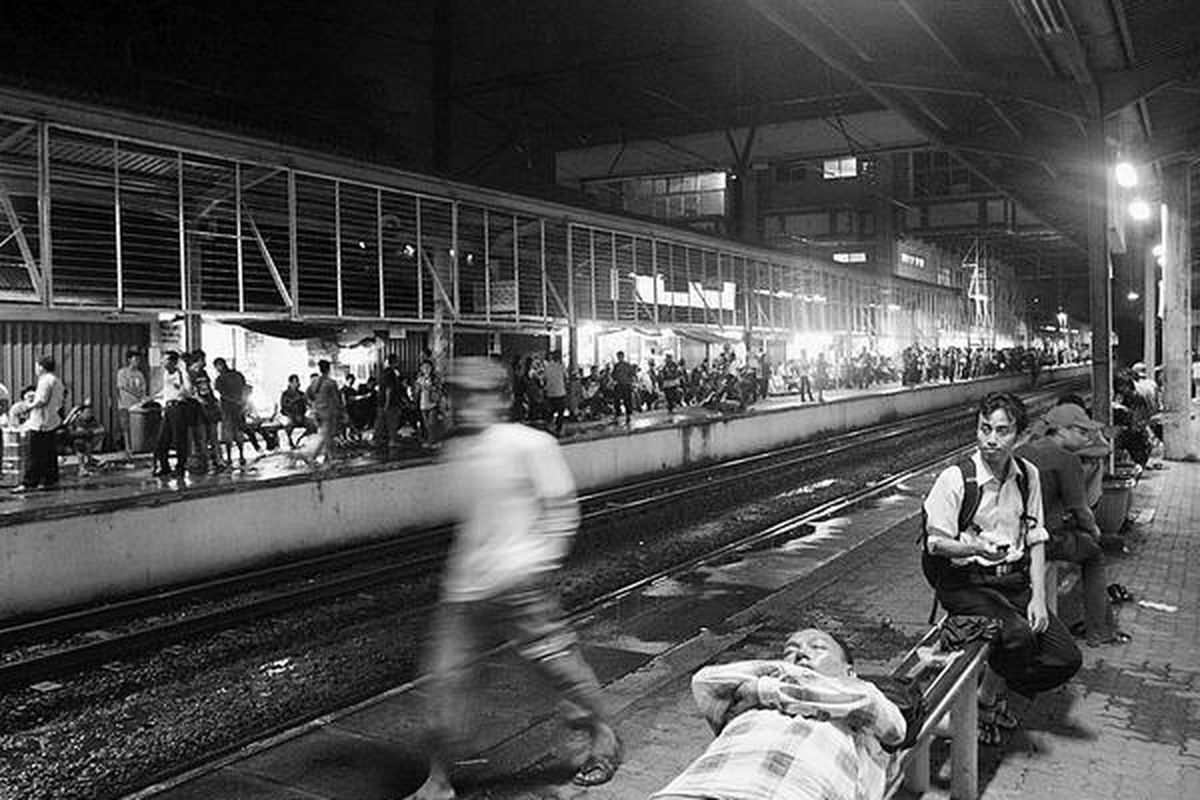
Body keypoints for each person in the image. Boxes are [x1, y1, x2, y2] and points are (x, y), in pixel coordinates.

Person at [402, 357, 620, 800]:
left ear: (503, 399)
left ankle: (604, 739)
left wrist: (536, 563)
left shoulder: (531, 444)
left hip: (521, 586)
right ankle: (439, 780)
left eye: (479, 394)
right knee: (447, 681)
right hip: (465, 589)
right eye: (461, 394)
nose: (468, 403)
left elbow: (562, 512)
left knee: (561, 671)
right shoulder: (456, 451)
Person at [922, 392, 1081, 744]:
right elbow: (936, 543)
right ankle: (985, 704)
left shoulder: (1027, 475)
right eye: (984, 429)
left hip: (1011, 579)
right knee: (1018, 634)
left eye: (1002, 431)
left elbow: (1036, 538)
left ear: (1019, 435)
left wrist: (1039, 598)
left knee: (1066, 658)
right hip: (965, 583)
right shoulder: (955, 478)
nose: (991, 439)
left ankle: (985, 695)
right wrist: (972, 546)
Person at [652, 627, 905, 800]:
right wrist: (783, 678)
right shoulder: (769, 679)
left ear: (849, 671)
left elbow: (895, 729)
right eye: (789, 651)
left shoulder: (860, 694)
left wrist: (763, 690)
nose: (801, 653)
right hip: (701, 788)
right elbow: (705, 681)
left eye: (818, 648)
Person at [1018, 405, 1130, 647]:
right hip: (1045, 540)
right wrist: (1095, 533)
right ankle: (1099, 631)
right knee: (1094, 555)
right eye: (1081, 432)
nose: (1087, 438)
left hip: (1016, 536)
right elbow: (1080, 511)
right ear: (1061, 431)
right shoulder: (1066, 461)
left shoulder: (1022, 450)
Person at [12, 355, 65, 494]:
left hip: (41, 422)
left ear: (41, 367)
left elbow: (41, 400)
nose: (35, 369)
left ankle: (29, 482)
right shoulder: (57, 381)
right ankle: (50, 479)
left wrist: (27, 407)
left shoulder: (45, 380)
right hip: (52, 420)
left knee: (35, 453)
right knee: (49, 453)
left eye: (36, 366)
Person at [295, 360, 341, 469]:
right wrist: (341, 412)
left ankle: (329, 457)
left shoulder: (315, 381)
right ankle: (314, 456)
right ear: (329, 369)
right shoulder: (331, 383)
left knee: (326, 434)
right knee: (326, 436)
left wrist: (313, 405)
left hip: (317, 412)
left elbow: (307, 395)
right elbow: (336, 400)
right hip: (328, 412)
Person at [153, 350, 192, 478]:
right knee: (161, 440)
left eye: (165, 360)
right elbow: (166, 390)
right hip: (168, 408)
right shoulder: (165, 374)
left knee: (179, 439)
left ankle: (180, 467)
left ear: (173, 362)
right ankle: (165, 466)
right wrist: (154, 397)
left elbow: (188, 391)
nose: (163, 363)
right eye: (163, 360)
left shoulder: (181, 373)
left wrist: (180, 389)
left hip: (179, 407)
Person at [213, 357, 249, 468]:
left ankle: (229, 457)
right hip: (238, 408)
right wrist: (242, 402)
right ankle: (241, 455)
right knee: (239, 432)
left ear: (219, 366)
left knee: (228, 434)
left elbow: (220, 393)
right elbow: (245, 388)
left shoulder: (220, 379)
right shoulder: (238, 375)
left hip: (227, 409)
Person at [115, 348, 148, 458]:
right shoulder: (122, 372)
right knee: (126, 427)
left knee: (136, 427)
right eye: (135, 359)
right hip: (125, 404)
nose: (137, 361)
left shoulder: (140, 374)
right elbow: (122, 386)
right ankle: (128, 449)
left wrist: (142, 398)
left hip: (137, 405)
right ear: (129, 360)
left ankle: (136, 447)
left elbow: (143, 388)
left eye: (139, 359)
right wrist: (136, 393)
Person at [279, 374, 314, 449]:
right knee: (288, 426)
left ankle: (302, 439)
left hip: (301, 416)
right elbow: (284, 407)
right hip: (290, 417)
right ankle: (291, 442)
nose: (297, 383)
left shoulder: (301, 393)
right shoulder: (285, 394)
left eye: (297, 381)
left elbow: (307, 403)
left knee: (312, 424)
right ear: (290, 383)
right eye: (295, 382)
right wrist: (292, 415)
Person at [543, 349, 568, 435]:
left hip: (550, 393)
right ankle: (558, 430)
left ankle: (549, 427)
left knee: (551, 412)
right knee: (560, 414)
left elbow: (544, 379)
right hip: (560, 392)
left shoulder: (548, 366)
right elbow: (566, 377)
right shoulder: (561, 366)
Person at [611, 351, 636, 425]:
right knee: (617, 401)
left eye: (620, 356)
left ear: (623, 357)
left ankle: (628, 415)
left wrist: (631, 382)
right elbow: (613, 375)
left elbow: (632, 374)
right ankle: (618, 414)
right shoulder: (616, 366)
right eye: (618, 357)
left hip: (626, 385)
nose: (619, 358)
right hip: (619, 385)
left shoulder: (627, 365)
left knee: (627, 401)